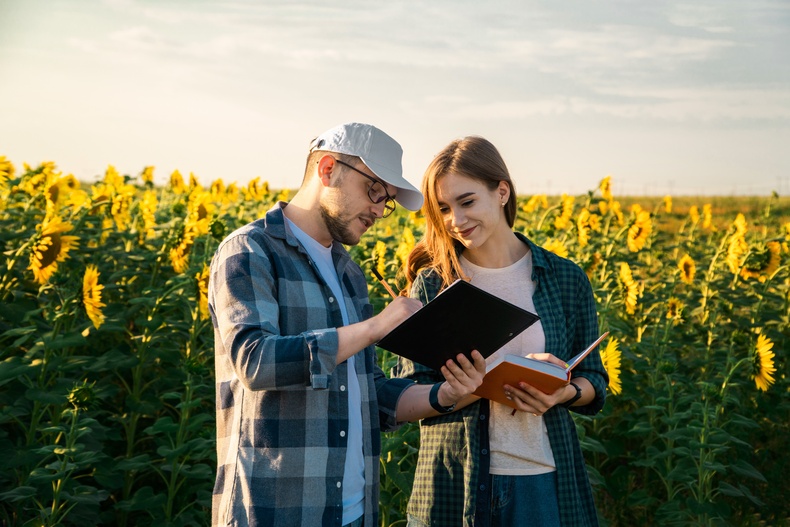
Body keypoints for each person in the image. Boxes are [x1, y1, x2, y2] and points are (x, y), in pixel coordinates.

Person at [208, 122, 486, 527]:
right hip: (276, 512)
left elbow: (367, 392)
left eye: (387, 200)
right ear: (327, 170)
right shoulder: (250, 251)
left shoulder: (349, 274)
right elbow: (255, 363)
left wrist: (448, 393)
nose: (378, 209)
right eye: (374, 190)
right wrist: (374, 327)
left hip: (354, 511)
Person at [394, 136, 608, 527]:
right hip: (453, 482)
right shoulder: (433, 284)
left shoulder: (565, 279)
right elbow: (401, 398)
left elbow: (594, 378)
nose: (455, 220)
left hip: (541, 479)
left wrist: (564, 391)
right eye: (443, 208)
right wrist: (455, 390)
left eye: (467, 201)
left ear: (502, 192)